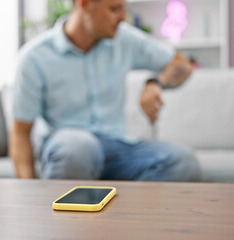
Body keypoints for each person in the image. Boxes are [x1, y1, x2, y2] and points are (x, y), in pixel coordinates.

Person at [10, 0, 201, 181]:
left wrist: (156, 83)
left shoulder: (125, 38)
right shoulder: (34, 57)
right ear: (84, 4)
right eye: (114, 9)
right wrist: (29, 193)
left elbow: (182, 64)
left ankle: (121, 208)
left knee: (184, 162)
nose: (123, 17)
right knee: (79, 148)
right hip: (69, 148)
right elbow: (20, 133)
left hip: (119, 148)